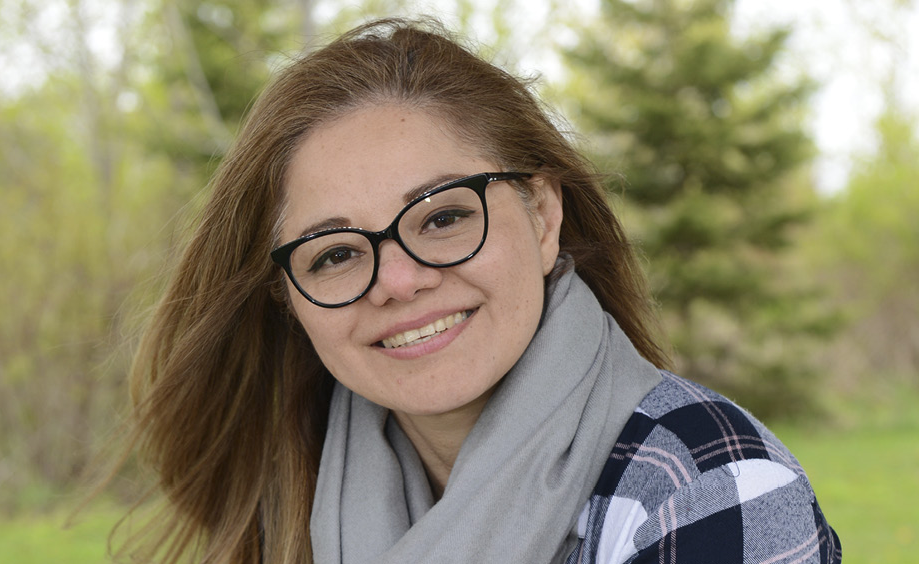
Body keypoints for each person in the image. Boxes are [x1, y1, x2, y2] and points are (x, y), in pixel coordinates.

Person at [121, 17, 841, 564]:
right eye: (336, 254)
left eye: (444, 217)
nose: (399, 280)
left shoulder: (706, 489)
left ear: (544, 216)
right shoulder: (298, 509)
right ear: (290, 297)